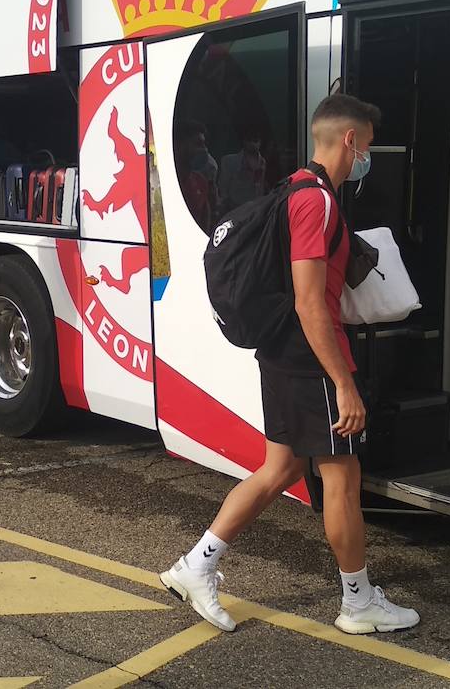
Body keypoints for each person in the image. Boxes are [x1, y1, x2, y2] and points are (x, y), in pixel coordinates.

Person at [160, 94, 419, 635]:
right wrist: (343, 385)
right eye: (367, 145)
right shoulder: (316, 202)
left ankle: (196, 565)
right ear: (351, 140)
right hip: (310, 361)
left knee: (279, 469)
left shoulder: (296, 189)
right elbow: (308, 300)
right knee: (343, 480)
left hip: (284, 353)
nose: (368, 156)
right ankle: (358, 601)